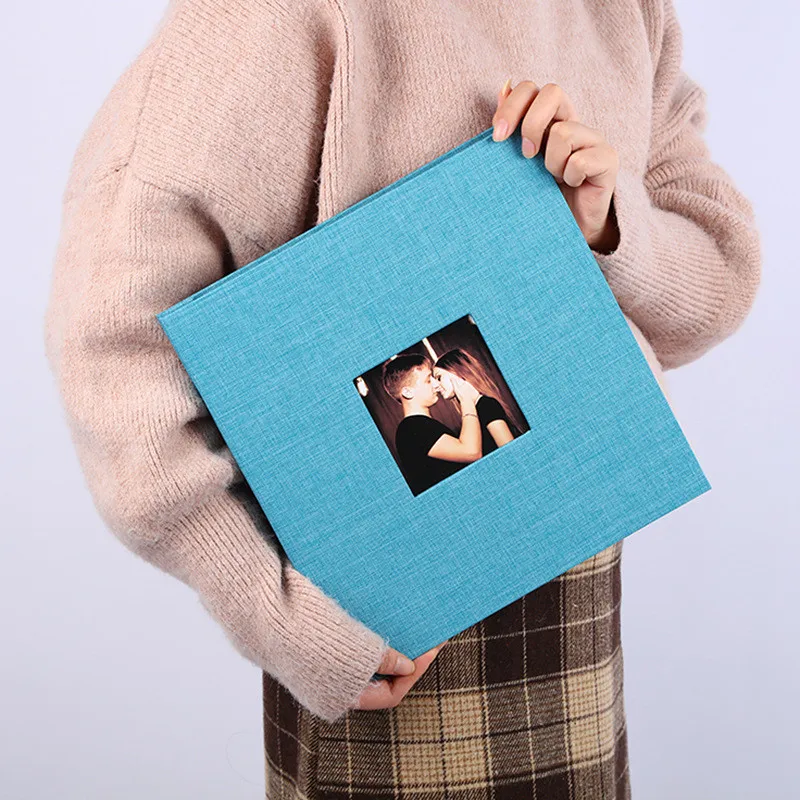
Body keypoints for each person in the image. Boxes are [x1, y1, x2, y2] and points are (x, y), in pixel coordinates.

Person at [43, 0, 762, 797]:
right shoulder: (269, 18)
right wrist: (281, 614)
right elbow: (111, 349)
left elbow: (718, 271)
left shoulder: (622, 11)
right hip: (388, 627)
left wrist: (606, 225)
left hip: (579, 571)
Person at [381, 352, 482, 495]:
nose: (436, 384)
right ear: (408, 392)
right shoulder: (413, 428)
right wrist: (466, 399)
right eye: (428, 380)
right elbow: (472, 452)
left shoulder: (420, 425)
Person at [433, 348, 526, 456]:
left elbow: (511, 453)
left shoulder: (486, 405)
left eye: (439, 378)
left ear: (458, 373)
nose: (436, 386)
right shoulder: (474, 411)